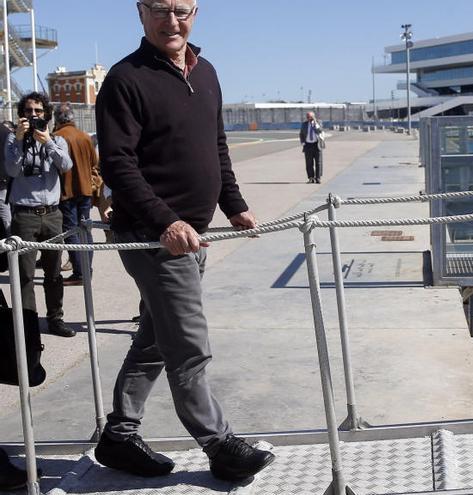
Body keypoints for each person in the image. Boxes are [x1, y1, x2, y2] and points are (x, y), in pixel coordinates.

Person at [94, 0, 274, 482]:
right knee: (189, 345)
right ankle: (219, 444)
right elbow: (117, 163)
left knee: (156, 340)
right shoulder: (125, 79)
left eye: (181, 9)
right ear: (140, 12)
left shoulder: (207, 71)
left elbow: (217, 145)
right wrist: (164, 223)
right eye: (160, 9)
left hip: (192, 238)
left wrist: (233, 203)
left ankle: (119, 437)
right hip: (155, 239)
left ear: (196, 11)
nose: (172, 20)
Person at [4, 92, 74, 338]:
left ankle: (56, 318)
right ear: (21, 115)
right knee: (24, 274)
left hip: (53, 215)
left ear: (46, 114)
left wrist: (47, 143)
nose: (33, 115)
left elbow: (66, 166)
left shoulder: (56, 140)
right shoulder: (14, 139)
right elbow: (11, 170)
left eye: (38, 111)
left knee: (54, 272)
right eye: (28, 111)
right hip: (25, 215)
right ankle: (28, 324)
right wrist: (21, 141)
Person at [54, 103, 101, 286]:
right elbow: (94, 163)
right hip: (85, 190)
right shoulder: (85, 137)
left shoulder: (57, 137)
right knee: (86, 230)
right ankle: (86, 270)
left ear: (57, 119)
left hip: (66, 192)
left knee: (71, 231)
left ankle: (80, 273)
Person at [299, 111, 324, 183]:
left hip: (317, 145)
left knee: (318, 162)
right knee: (309, 163)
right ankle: (311, 178)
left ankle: (318, 178)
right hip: (308, 145)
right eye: (307, 116)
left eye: (309, 116)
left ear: (313, 116)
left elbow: (320, 131)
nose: (307, 118)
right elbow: (301, 134)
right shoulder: (304, 124)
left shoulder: (319, 122)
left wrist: (315, 123)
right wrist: (303, 142)